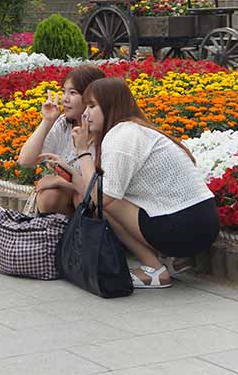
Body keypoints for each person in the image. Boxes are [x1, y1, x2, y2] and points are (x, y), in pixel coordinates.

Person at [63, 78, 220, 290]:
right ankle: (169, 258)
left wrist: (82, 152)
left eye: (92, 106)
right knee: (105, 195)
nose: (85, 114)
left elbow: (101, 197)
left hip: (184, 227)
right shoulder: (134, 129)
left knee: (103, 203)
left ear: (110, 106)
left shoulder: (121, 136)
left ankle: (155, 269)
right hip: (201, 222)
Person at [18, 65, 105, 215]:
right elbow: (26, 160)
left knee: (80, 198)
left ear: (91, 97)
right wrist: (47, 121)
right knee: (49, 196)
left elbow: (100, 189)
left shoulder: (106, 130)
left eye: (73, 93)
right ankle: (60, 236)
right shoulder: (64, 124)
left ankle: (85, 236)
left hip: (100, 201)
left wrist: (59, 180)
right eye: (64, 91)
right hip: (69, 198)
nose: (65, 99)